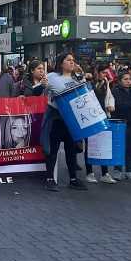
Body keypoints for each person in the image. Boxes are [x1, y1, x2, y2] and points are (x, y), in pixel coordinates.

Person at [39, 53, 85, 192]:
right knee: (53, 149)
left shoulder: (76, 77)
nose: (72, 62)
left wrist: (82, 76)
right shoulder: (52, 76)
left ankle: (73, 179)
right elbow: (42, 93)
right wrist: (43, 86)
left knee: (71, 150)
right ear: (61, 63)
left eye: (73, 60)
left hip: (72, 119)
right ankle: (49, 178)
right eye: (69, 60)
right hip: (56, 117)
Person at [83, 67, 117, 184]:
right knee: (89, 146)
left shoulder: (106, 84)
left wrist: (110, 106)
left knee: (104, 146)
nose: (105, 75)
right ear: (96, 72)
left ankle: (105, 173)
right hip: (90, 118)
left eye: (106, 73)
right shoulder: (87, 83)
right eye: (103, 72)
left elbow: (109, 97)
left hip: (103, 117)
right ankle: (89, 172)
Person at [110, 72, 131, 181]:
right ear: (120, 80)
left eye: (130, 79)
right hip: (121, 122)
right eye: (125, 79)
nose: (128, 81)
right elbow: (120, 105)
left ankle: (129, 170)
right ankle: (118, 170)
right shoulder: (115, 91)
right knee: (120, 146)